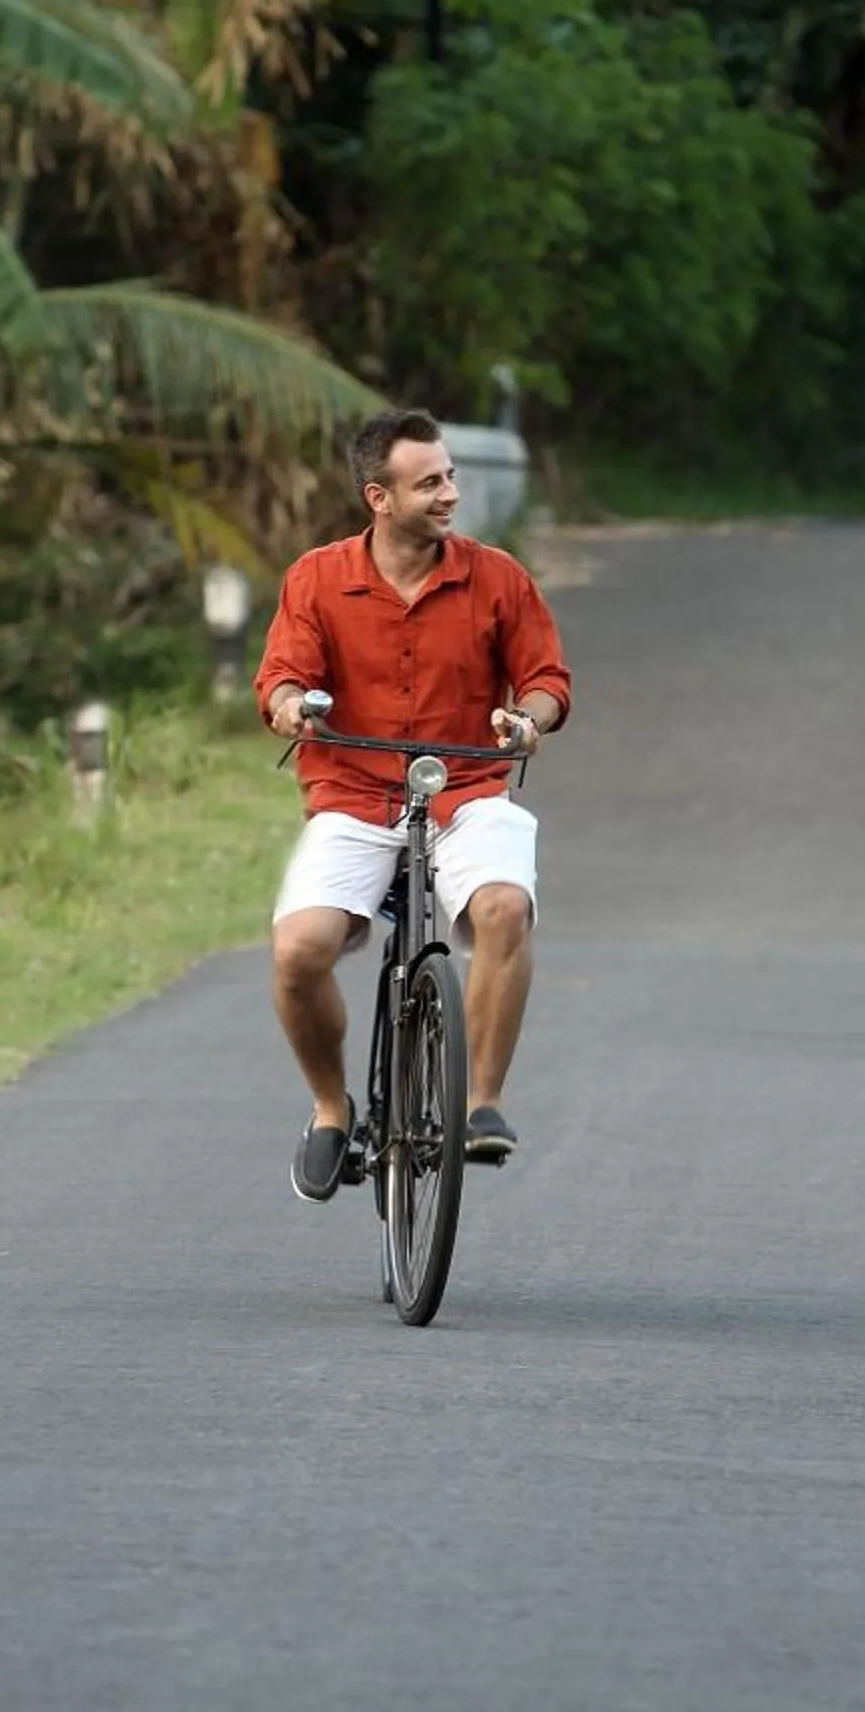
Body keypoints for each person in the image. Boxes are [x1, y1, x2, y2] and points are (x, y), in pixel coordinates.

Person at [255, 409, 573, 1203]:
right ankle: (332, 1108)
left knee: (504, 909)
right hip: (353, 793)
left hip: (465, 787)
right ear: (379, 497)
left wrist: (525, 722)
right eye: (429, 481)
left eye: (451, 477)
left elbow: (548, 681)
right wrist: (294, 706)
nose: (450, 494)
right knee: (298, 953)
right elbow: (280, 678)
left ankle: (481, 1105)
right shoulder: (317, 579)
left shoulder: (498, 578)